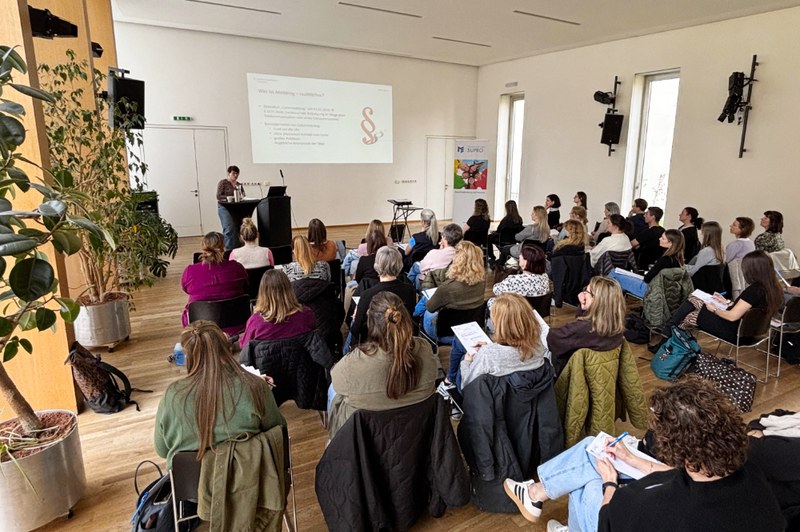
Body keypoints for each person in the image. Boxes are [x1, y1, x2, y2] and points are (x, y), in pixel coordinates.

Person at [503, 377, 785, 532]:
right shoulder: (751, 473)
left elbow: (608, 520)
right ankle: (536, 494)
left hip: (620, 519)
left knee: (588, 484)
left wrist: (609, 483)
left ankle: (542, 499)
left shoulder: (654, 505)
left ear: (676, 449)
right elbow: (692, 479)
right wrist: (633, 459)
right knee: (594, 449)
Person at [155, 320, 285, 469]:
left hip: (191, 481)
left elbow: (162, 450)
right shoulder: (255, 386)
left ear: (186, 354)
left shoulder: (172, 395)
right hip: (251, 477)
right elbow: (278, 429)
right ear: (225, 346)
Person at [327, 292, 439, 439]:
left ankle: (334, 441)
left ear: (370, 323)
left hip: (367, 440)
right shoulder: (425, 349)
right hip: (416, 434)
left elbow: (336, 380)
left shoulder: (352, 364)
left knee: (333, 391)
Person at [664, 250, 783, 344]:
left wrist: (715, 309)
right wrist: (726, 302)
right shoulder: (774, 287)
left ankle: (669, 340)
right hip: (752, 331)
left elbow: (732, 316)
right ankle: (673, 341)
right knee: (693, 304)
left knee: (691, 311)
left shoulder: (754, 290)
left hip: (735, 332)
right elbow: (747, 309)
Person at [458, 293, 547, 390]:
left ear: (499, 324)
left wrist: (466, 362)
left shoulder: (487, 355)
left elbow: (467, 384)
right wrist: (492, 347)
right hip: (532, 395)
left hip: (495, 398)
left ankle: (449, 384)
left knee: (464, 356)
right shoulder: (538, 344)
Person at [547, 276, 626, 376]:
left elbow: (552, 340)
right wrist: (584, 308)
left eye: (586, 292)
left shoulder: (583, 329)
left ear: (596, 300)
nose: (583, 294)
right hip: (603, 375)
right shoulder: (617, 326)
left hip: (574, 374)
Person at [348, 247, 416, 349]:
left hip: (375, 345)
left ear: (377, 265)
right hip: (402, 341)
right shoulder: (410, 290)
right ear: (399, 264)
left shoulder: (367, 295)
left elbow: (356, 330)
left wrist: (355, 317)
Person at [181, 232, 247, 333]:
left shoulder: (190, 271)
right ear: (223, 247)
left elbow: (186, 289)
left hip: (200, 327)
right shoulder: (237, 268)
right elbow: (245, 285)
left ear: (203, 248)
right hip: (236, 325)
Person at [421, 241, 485, 343]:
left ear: (456, 261)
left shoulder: (447, 288)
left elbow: (430, 308)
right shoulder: (482, 282)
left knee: (425, 308)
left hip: (446, 334)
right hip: (470, 329)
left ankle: (414, 322)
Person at [239, 269, 316, 347]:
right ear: (290, 289)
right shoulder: (306, 315)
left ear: (262, 292)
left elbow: (244, 347)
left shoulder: (255, 322)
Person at [612, 228, 684, 298]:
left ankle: (610, 301)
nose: (659, 239)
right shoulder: (677, 260)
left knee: (613, 273)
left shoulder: (665, 260)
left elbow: (647, 279)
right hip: (662, 290)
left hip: (649, 289)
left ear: (670, 243)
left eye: (663, 238)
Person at [488, 244, 550, 311]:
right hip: (536, 312)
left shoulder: (515, 280)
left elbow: (496, 290)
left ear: (526, 262)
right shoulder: (545, 277)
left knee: (491, 301)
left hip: (516, 312)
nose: (519, 256)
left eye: (521, 255)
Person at [407, 223, 463, 288]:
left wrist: (440, 250)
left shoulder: (434, 253)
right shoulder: (460, 254)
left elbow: (422, 268)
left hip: (432, 280)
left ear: (444, 237)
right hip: (446, 280)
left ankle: (407, 286)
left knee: (416, 266)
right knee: (417, 275)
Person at [215, 165, 245, 250]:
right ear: (229, 173)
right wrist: (230, 198)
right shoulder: (223, 183)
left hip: (236, 208)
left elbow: (243, 195)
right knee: (229, 229)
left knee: (238, 229)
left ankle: (238, 249)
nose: (236, 175)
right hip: (225, 208)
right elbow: (218, 196)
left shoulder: (239, 184)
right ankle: (228, 250)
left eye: (237, 174)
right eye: (233, 173)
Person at [487, 200, 524, 266]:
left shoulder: (506, 220)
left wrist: (494, 232)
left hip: (502, 240)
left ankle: (492, 256)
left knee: (487, 238)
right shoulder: (519, 219)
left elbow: (499, 230)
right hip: (513, 240)